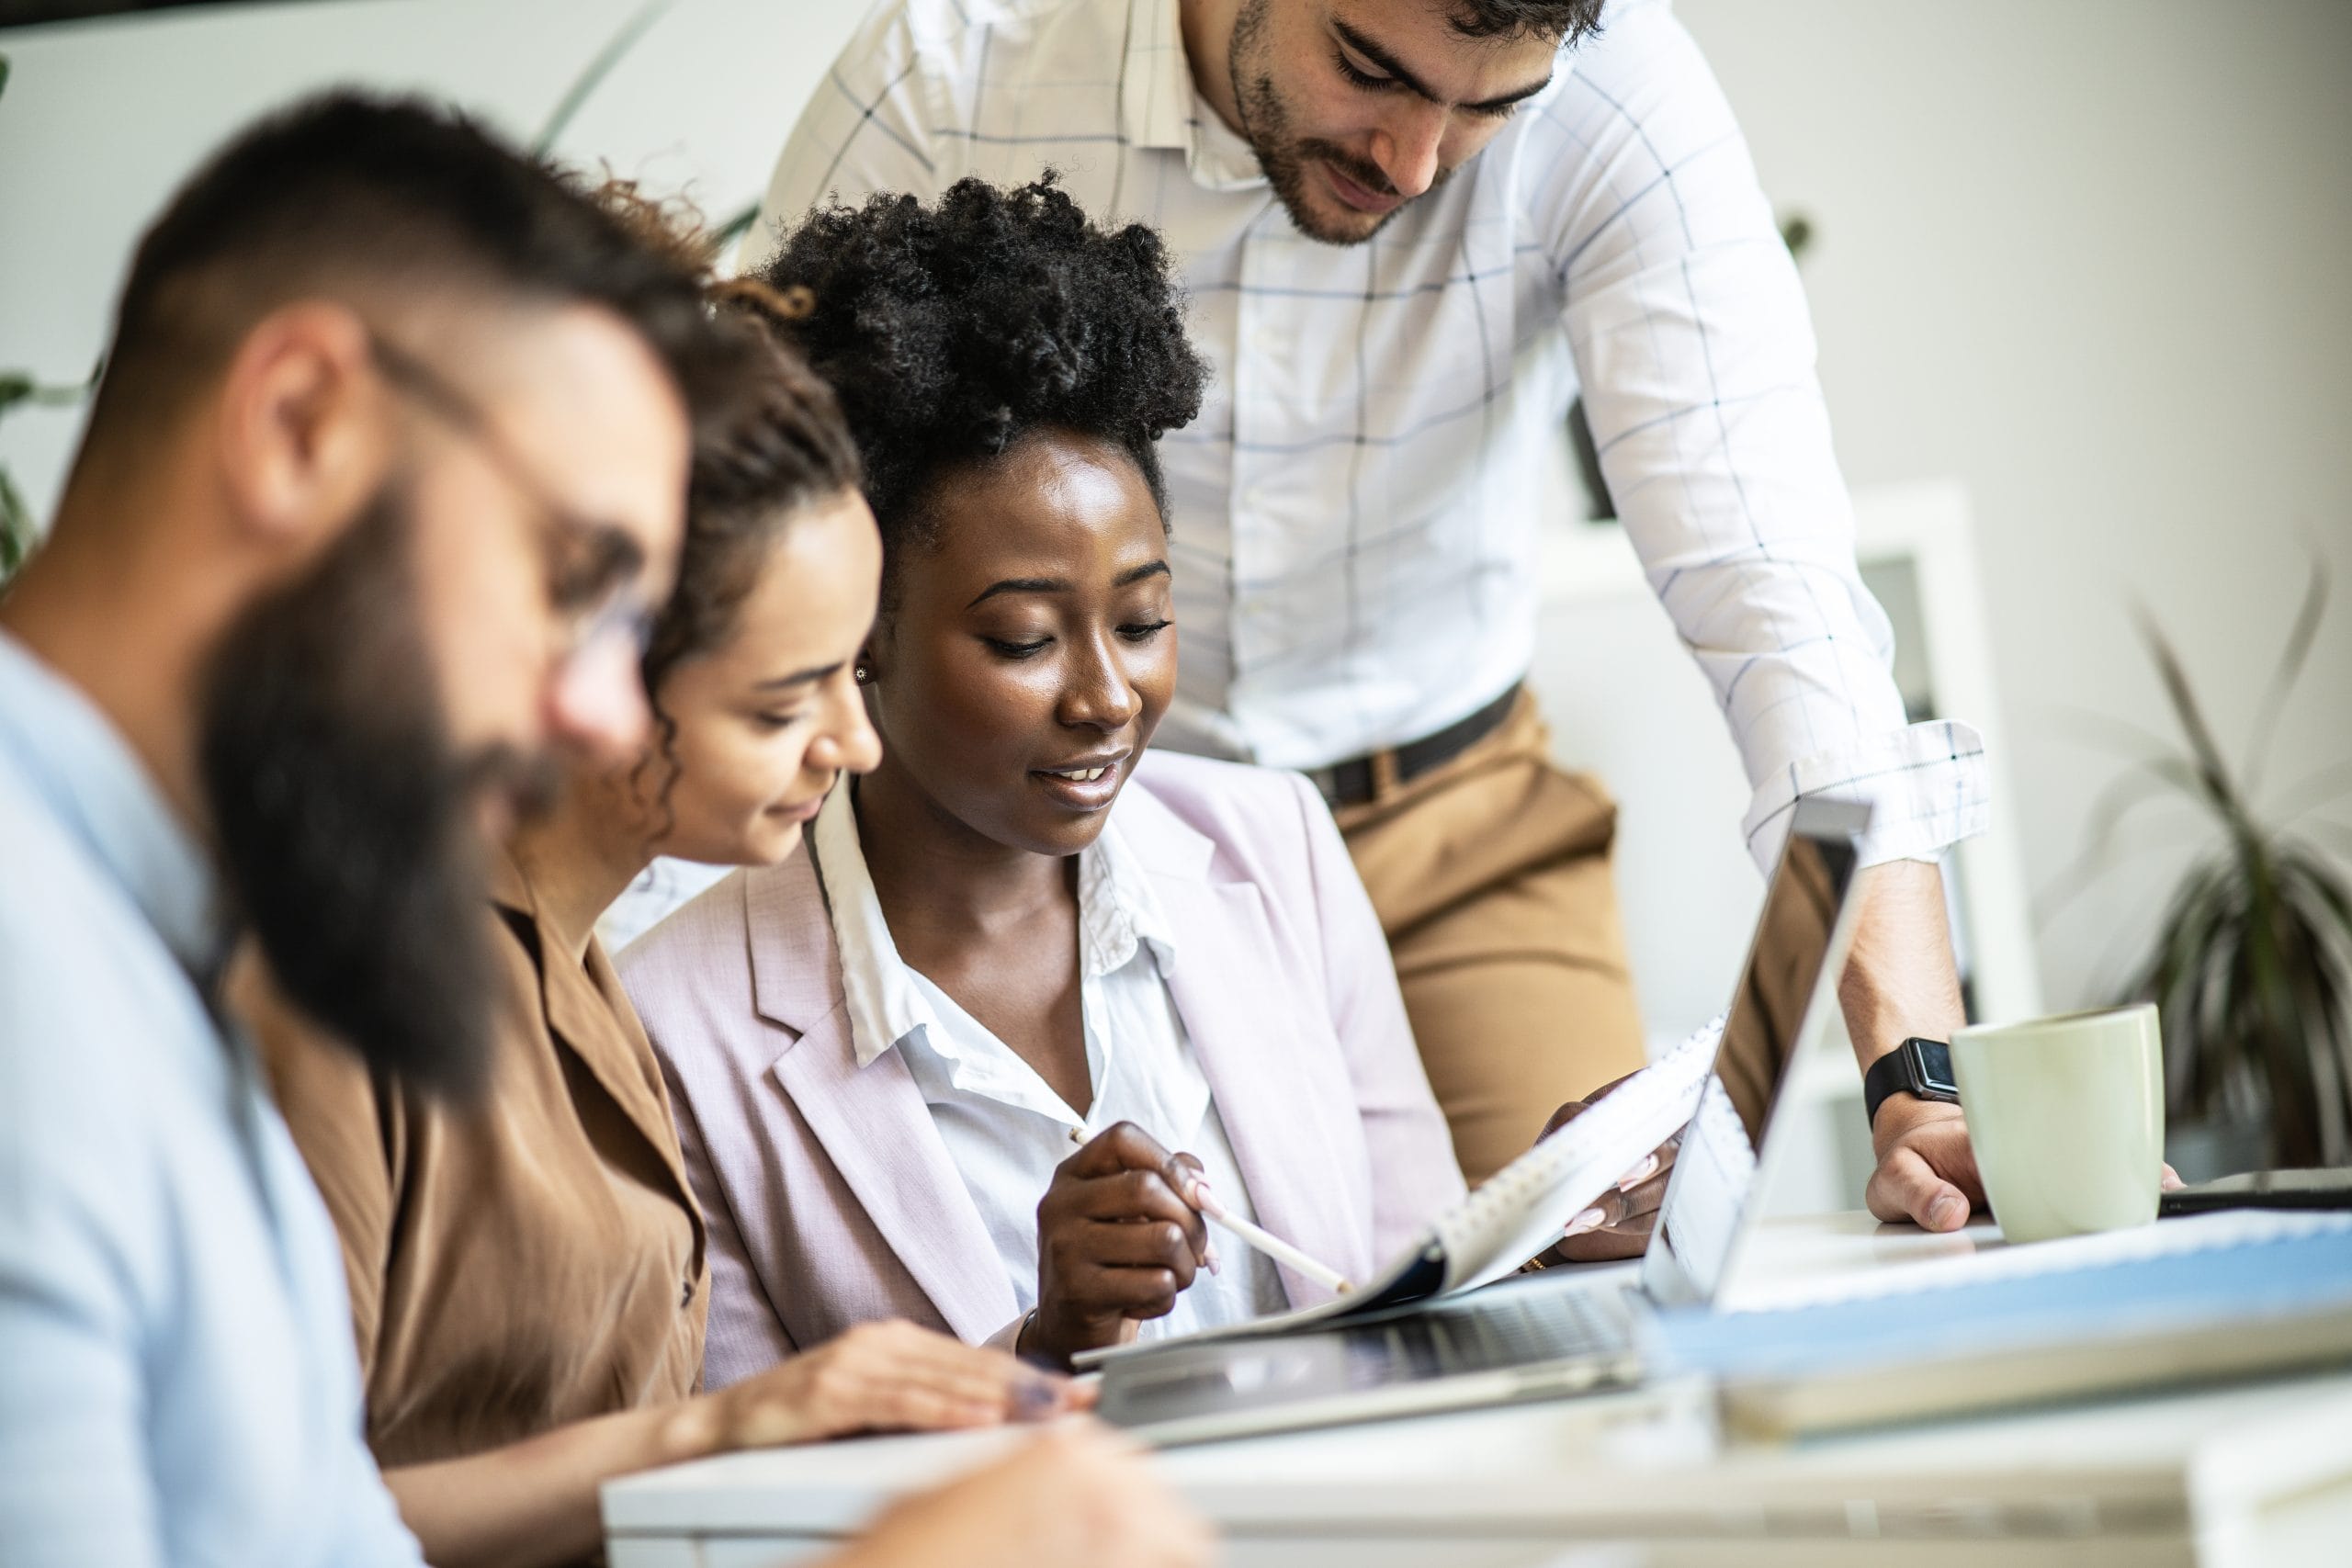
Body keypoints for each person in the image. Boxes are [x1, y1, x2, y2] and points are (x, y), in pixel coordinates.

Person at [0, 93, 1204, 1568]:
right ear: (302, 422)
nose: (597, 709)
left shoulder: (160, 934)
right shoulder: (62, 974)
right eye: (575, 579)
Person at [749, 0, 1995, 1224]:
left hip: (1458, 822)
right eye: (1368, 67)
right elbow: (755, 524)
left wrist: (1919, 1076)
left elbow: (1773, 587)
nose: (1412, 164)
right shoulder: (946, 77)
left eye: (1487, 110)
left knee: (1610, 1300)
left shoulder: (1620, 102)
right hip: (1074, 842)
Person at [244, 203, 1092, 1568]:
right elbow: (251, 1529)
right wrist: (714, 1435)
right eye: (780, 704)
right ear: (581, 677)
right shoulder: (342, 995)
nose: (855, 744)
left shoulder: (577, 970)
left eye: (850, 673)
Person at [623, 175, 1469, 1376]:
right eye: (1023, 640)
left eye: (1141, 622)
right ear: (862, 624)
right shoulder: (678, 1024)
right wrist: (1044, 1344)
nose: (1108, 699)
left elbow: (1414, 1301)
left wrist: (1554, 1240)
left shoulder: (1273, 849)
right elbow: (744, 1501)